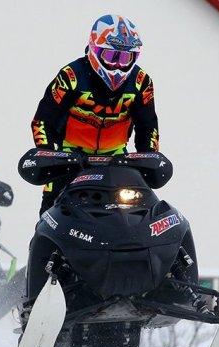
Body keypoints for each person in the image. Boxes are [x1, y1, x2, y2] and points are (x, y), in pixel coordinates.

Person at [31, 13, 159, 216]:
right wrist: (49, 156)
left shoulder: (142, 82)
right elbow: (42, 121)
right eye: (111, 56)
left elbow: (148, 127)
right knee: (49, 212)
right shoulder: (70, 76)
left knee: (143, 208)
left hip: (117, 158)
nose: (118, 65)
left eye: (126, 58)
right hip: (70, 156)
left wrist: (148, 160)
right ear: (94, 49)